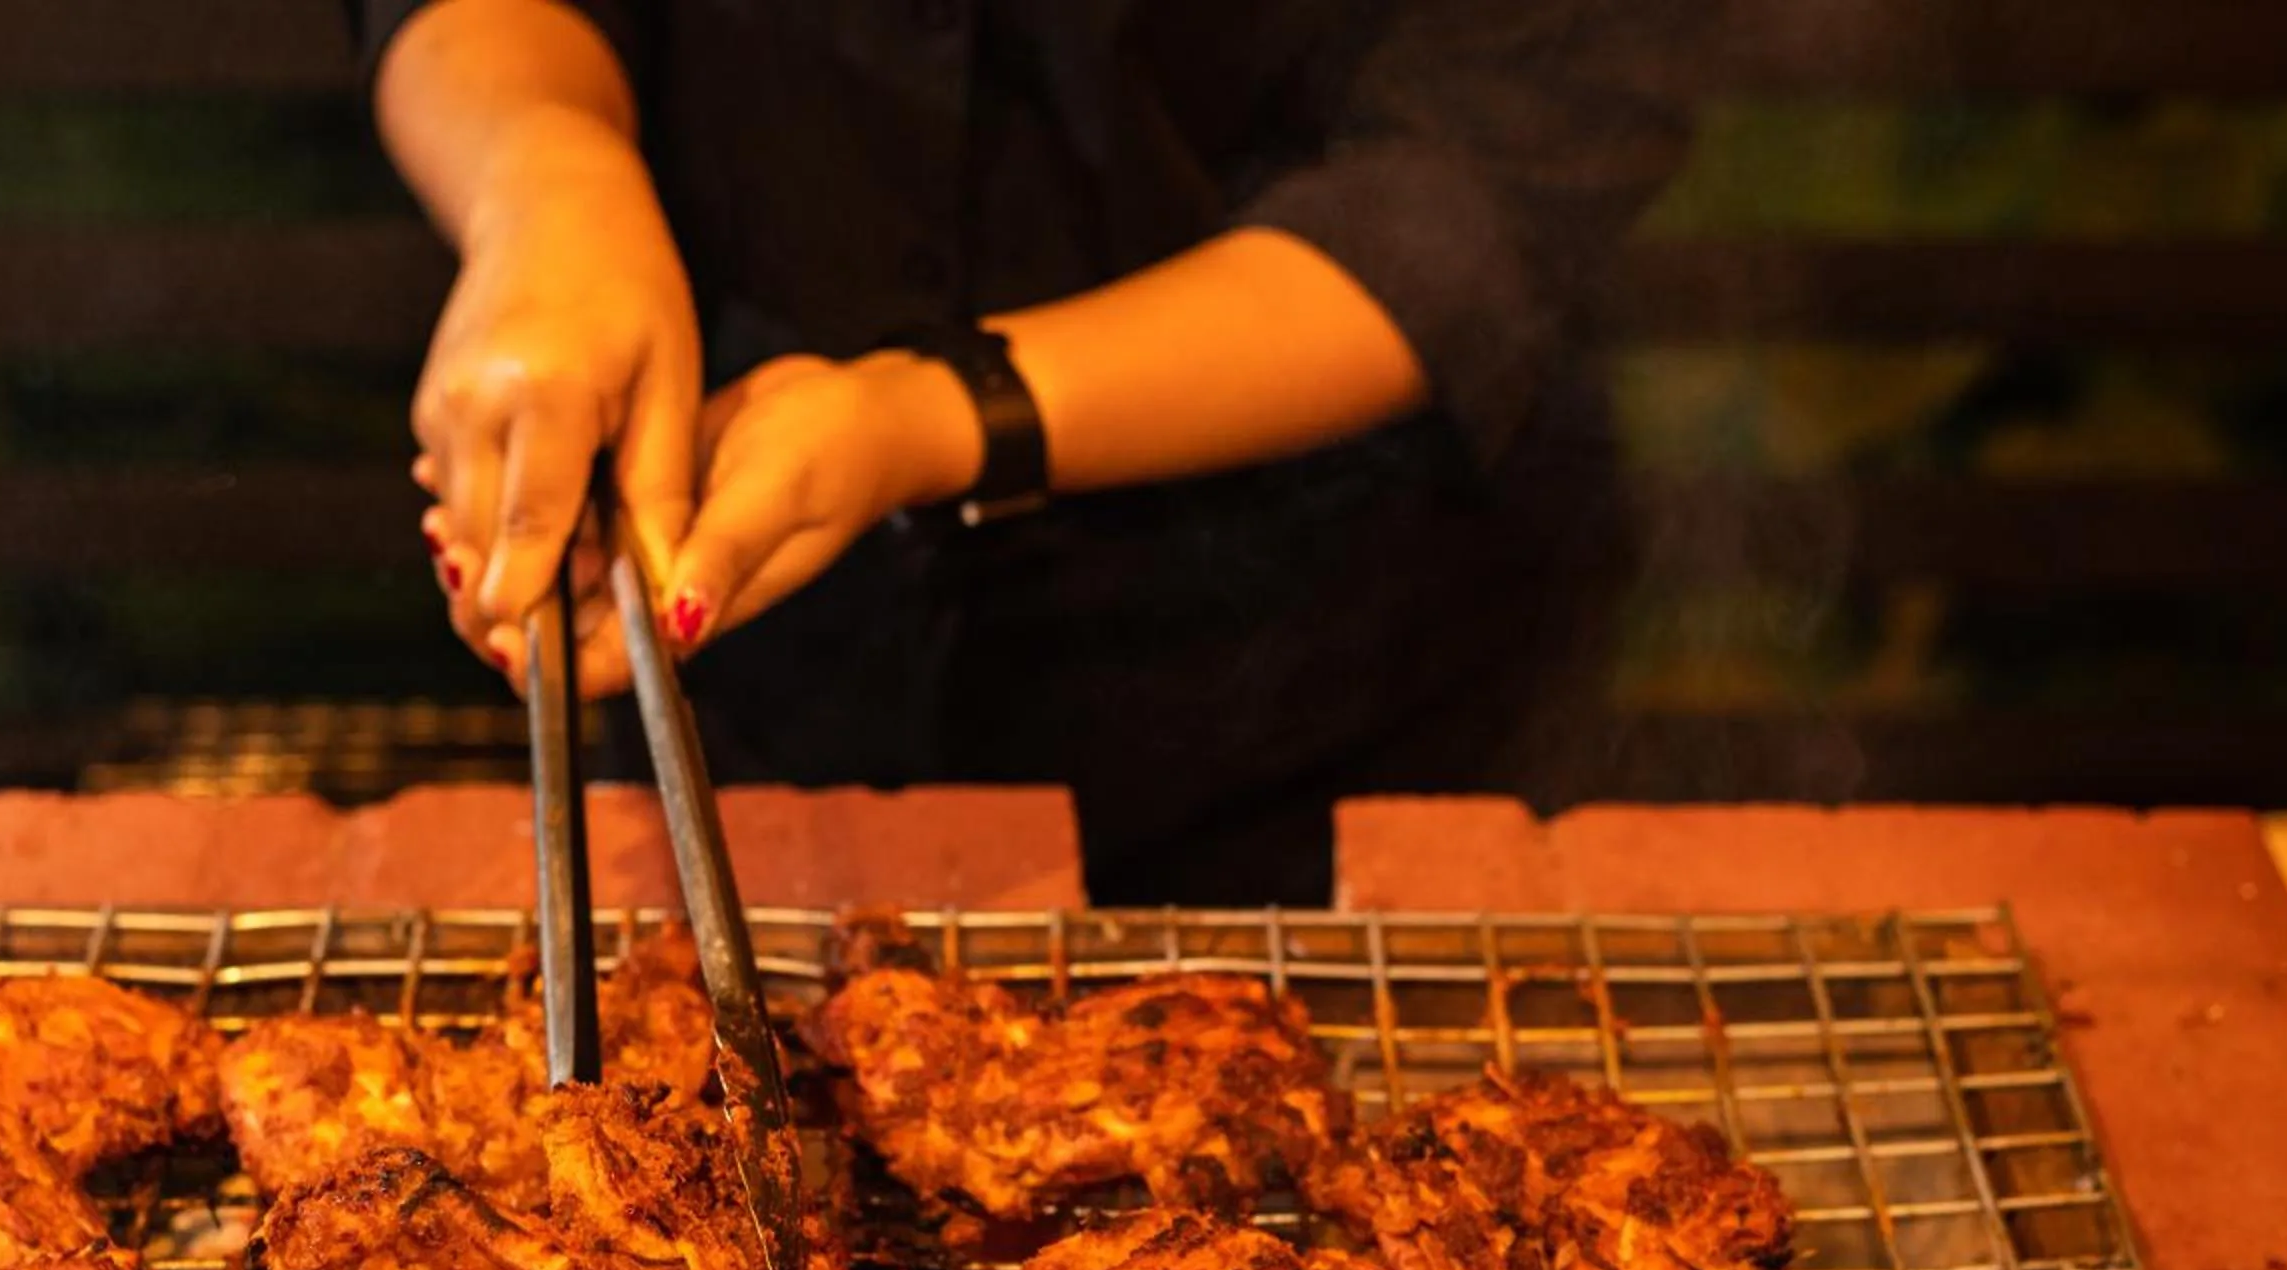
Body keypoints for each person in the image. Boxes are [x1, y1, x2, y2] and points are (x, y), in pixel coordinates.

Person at [363, 0, 1705, 903]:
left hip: (1307, 691)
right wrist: (547, 184)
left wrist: (932, 415)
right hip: (745, 654)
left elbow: (1495, 172)